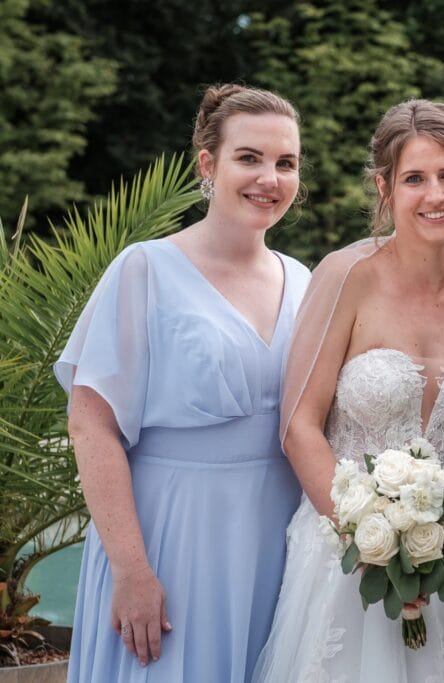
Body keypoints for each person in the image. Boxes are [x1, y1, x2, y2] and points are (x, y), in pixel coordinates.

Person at [252, 99, 444, 682]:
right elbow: (298, 425)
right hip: (346, 544)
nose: (435, 195)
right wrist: (370, 541)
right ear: (385, 187)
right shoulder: (346, 275)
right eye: (414, 178)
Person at [55, 84, 311, 681]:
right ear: (207, 164)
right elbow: (90, 423)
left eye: (285, 162)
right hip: (172, 538)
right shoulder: (145, 269)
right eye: (248, 157)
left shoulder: (304, 280)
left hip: (280, 544)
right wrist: (132, 570)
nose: (268, 178)